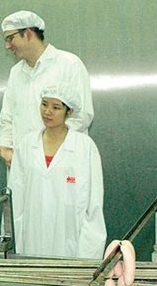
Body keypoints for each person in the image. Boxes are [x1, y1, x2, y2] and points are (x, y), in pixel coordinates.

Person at [10, 83, 107, 258]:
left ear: (69, 112)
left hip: (70, 241)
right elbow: (15, 200)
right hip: (31, 239)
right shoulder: (26, 144)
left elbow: (94, 205)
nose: (47, 112)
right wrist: (13, 244)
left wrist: (88, 254)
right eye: (44, 104)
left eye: (56, 107)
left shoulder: (84, 147)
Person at [0, 11, 94, 168]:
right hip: (22, 164)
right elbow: (7, 119)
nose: (7, 46)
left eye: (10, 38)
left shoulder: (69, 64)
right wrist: (7, 148)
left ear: (28, 34)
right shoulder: (16, 73)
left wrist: (45, 148)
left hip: (61, 162)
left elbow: (81, 116)